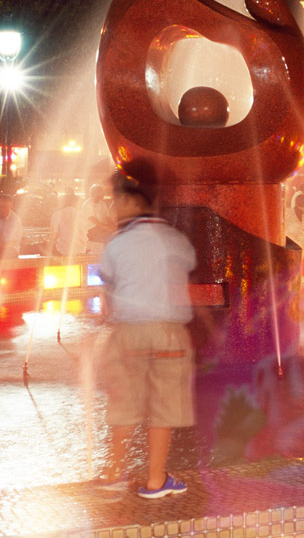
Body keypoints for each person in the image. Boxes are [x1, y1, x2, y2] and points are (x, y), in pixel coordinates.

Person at [99, 172, 197, 498]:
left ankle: (114, 472)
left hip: (128, 333)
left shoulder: (117, 243)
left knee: (125, 403)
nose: (112, 207)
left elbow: (108, 283)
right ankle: (156, 481)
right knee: (163, 407)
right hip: (168, 333)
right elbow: (186, 267)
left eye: (116, 200)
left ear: (132, 201)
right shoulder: (174, 239)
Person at [49, 190, 88, 257]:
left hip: (63, 250)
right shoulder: (82, 214)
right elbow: (86, 232)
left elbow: (53, 235)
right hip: (81, 249)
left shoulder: (56, 214)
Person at [0, 193, 23, 259]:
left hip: (10, 248)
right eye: (0, 206)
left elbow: (11, 242)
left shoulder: (15, 220)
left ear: (10, 206)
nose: (2, 209)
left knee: (8, 252)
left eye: (4, 206)